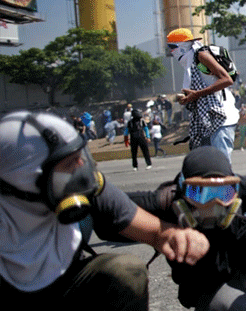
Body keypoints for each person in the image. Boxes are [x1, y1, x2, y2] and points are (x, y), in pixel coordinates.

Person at [0, 111, 209, 309]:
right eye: (69, 163)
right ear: (24, 180)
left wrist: (177, 237)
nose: (81, 166)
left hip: (66, 283)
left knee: (126, 271)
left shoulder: (88, 188)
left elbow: (156, 232)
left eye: (80, 156)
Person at [126, 146, 246, 311]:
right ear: (182, 190)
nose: (213, 203)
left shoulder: (240, 188)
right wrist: (162, 230)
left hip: (239, 266)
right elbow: (110, 211)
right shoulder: (165, 201)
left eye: (222, 192)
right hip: (201, 283)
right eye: (199, 192)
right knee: (236, 307)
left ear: (232, 186)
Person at [167, 28, 239, 162]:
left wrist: (197, 94)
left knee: (221, 166)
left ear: (182, 46)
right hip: (207, 120)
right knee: (206, 166)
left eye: (172, 47)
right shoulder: (191, 62)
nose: (171, 51)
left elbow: (226, 79)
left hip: (221, 117)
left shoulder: (201, 56)